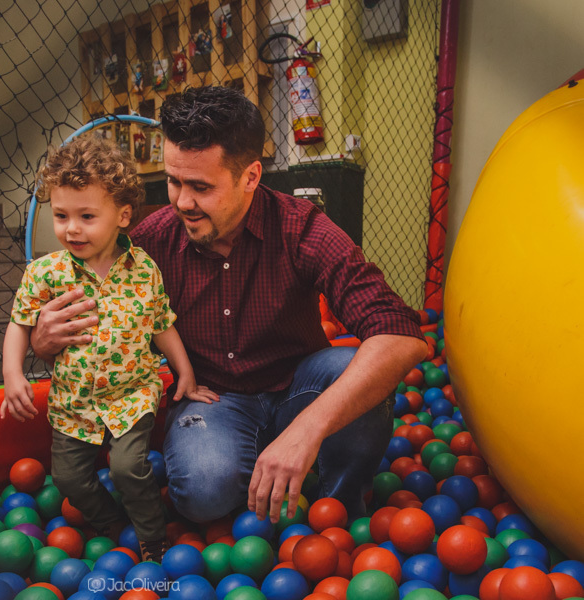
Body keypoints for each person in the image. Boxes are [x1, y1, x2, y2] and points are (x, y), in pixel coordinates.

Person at [29, 85, 428, 525]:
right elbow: (85, 332)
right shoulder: (146, 245)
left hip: (299, 386)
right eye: (174, 181)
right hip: (211, 398)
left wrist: (306, 431)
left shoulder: (302, 230)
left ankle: (338, 508)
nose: (182, 201)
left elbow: (402, 337)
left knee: (352, 369)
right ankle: (256, 474)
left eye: (201, 187)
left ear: (251, 177)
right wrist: (44, 340)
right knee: (202, 493)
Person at [0, 136, 217, 561]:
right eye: (61, 216)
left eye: (86, 216)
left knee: (128, 468)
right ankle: (110, 522)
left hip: (131, 397)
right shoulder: (46, 272)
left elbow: (162, 325)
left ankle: (153, 538)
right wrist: (12, 374)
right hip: (73, 403)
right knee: (68, 480)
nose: (71, 228)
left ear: (122, 216)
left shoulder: (143, 270)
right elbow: (20, 323)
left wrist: (185, 372)